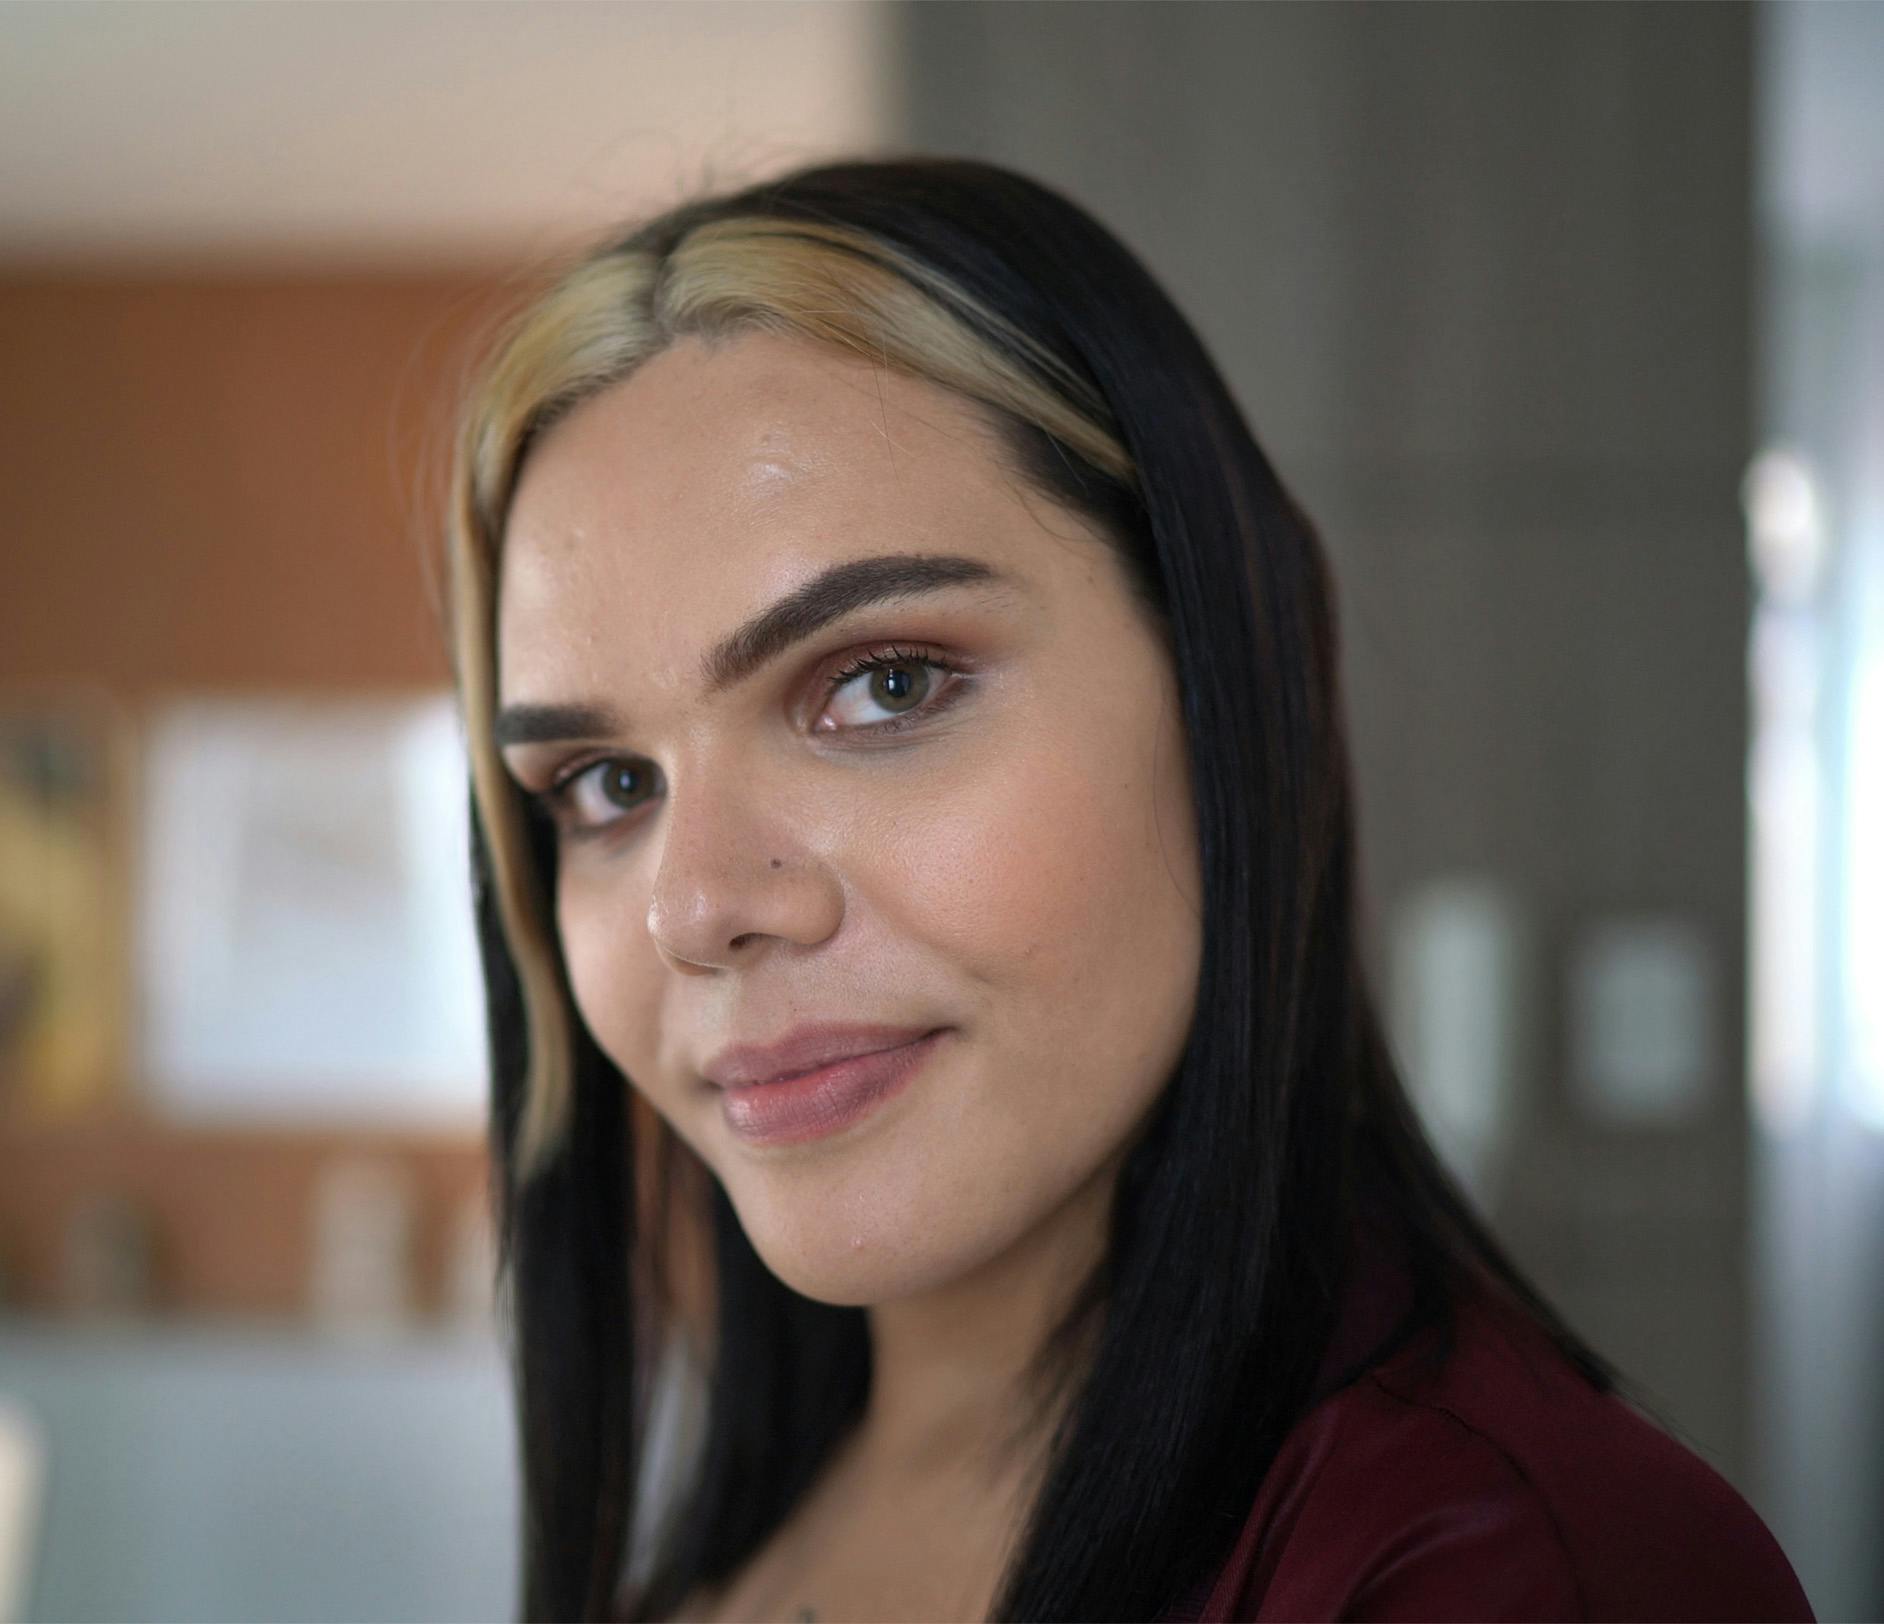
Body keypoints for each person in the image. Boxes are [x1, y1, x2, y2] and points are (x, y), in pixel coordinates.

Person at [443, 157, 1814, 1622]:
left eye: (885, 684)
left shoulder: (1519, 1571)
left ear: (1229, 690)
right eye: (605, 785)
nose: (697, 904)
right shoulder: (738, 1535)